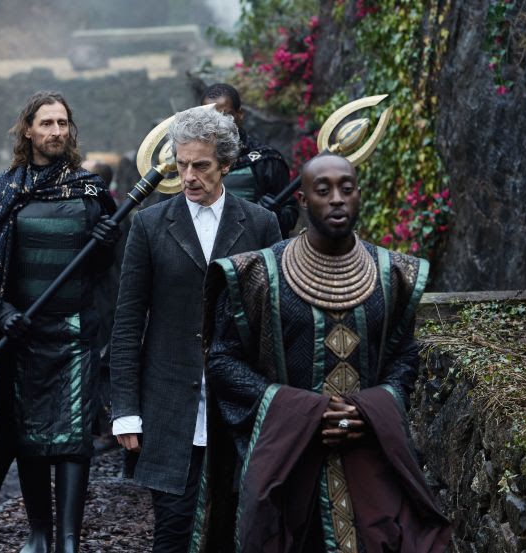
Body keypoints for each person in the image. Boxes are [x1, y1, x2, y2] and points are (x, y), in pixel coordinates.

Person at [196, 154, 452, 552]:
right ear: (302, 200)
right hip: (288, 469)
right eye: (323, 190)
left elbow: (403, 357)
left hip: (368, 464)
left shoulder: (394, 275)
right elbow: (223, 360)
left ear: (359, 196)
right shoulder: (259, 275)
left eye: (346, 189)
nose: (336, 199)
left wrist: (367, 411)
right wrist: (303, 412)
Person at [0, 91, 120, 553]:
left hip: (75, 331)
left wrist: (108, 240)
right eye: (46, 123)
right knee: (29, 435)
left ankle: (68, 539)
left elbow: (105, 269)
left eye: (62, 123)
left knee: (74, 436)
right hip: (23, 334)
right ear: (27, 129)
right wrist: (3, 312)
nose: (56, 131)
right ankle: (40, 533)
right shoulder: (0, 191)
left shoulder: (90, 190)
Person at [110, 106, 282, 553]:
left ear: (225, 164)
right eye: (182, 164)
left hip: (239, 405)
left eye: (201, 165)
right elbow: (127, 322)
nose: (188, 176)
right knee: (173, 532)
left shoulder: (261, 224)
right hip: (168, 406)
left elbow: (276, 323)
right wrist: (125, 409)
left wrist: (281, 404)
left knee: (237, 532)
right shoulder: (149, 225)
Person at [201, 83, 298, 238]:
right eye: (209, 118)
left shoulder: (266, 161)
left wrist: (273, 215)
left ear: (240, 114)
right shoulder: (189, 161)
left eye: (225, 116)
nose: (218, 125)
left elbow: (290, 216)